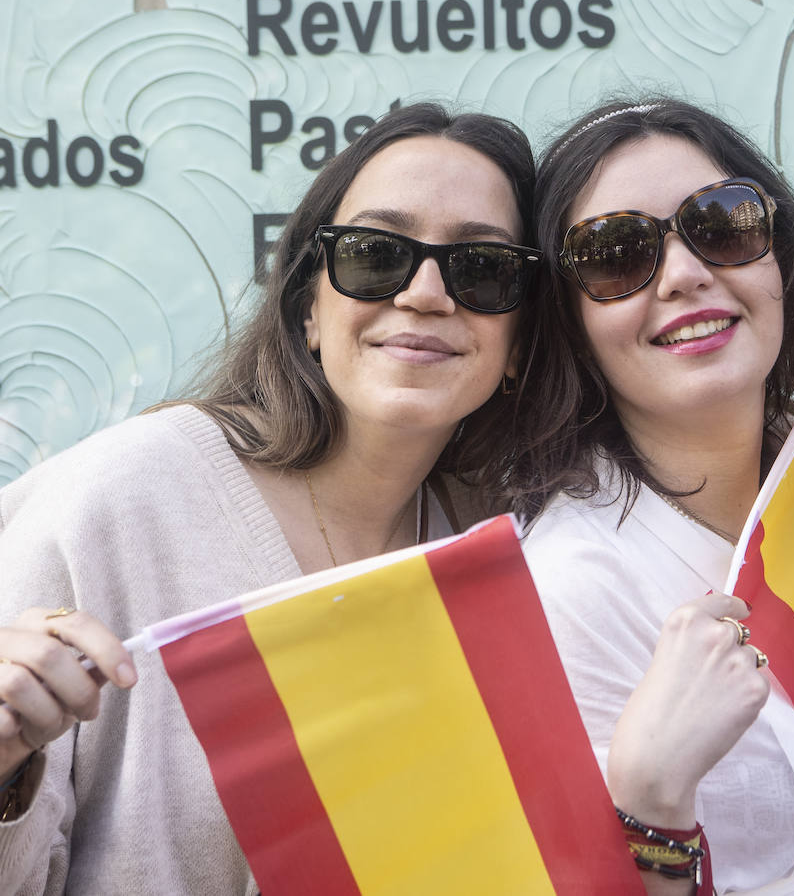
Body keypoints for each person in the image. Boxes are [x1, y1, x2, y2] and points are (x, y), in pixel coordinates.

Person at [0, 102, 539, 893]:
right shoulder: (116, 500)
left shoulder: (501, 549)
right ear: (310, 308)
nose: (426, 293)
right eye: (374, 253)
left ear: (522, 340)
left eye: (483, 269)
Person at [507, 98, 794, 893]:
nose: (686, 274)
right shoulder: (570, 586)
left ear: (777, 257)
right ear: (568, 322)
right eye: (616, 255)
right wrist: (650, 795)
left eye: (723, 225)